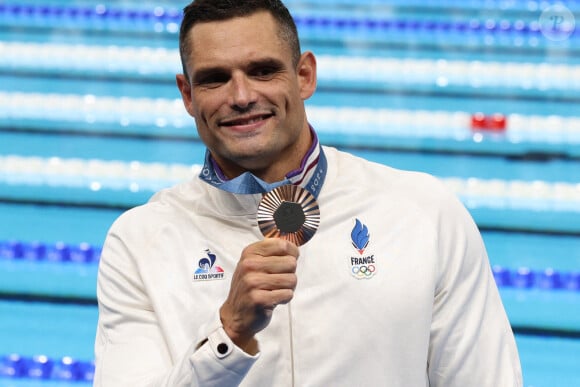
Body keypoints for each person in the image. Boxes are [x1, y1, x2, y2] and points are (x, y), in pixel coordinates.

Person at [94, 0, 523, 386]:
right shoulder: (139, 241)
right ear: (187, 95)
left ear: (304, 76)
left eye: (263, 70)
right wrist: (229, 334)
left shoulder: (422, 213)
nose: (242, 96)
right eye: (215, 79)